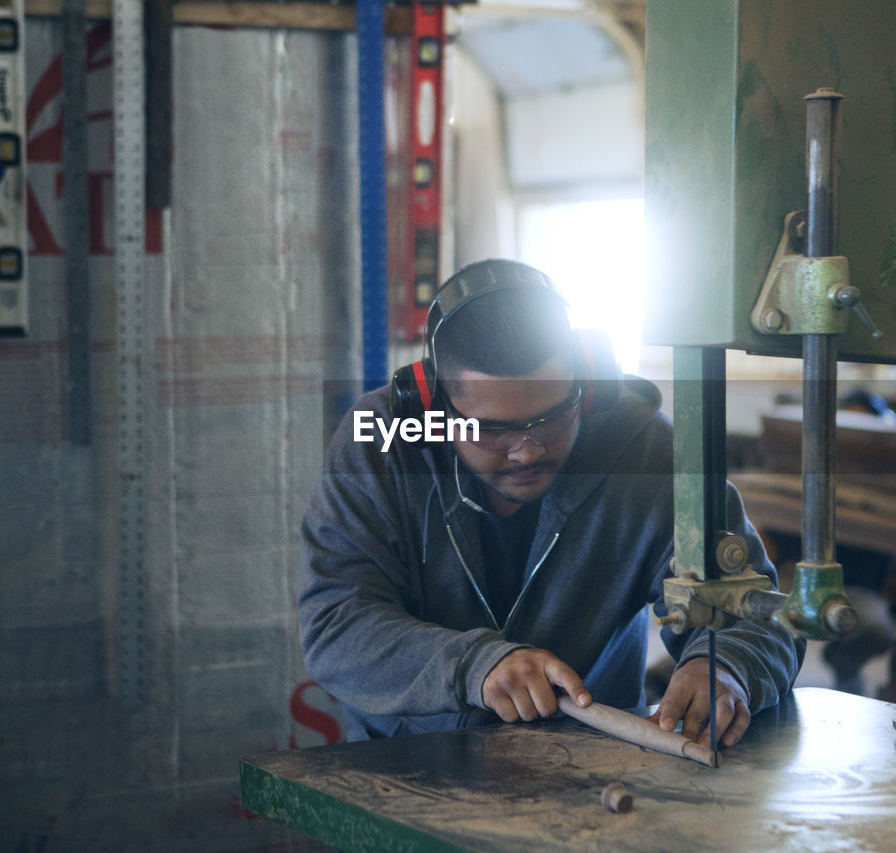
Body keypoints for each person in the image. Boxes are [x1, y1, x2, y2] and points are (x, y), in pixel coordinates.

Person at [297, 259, 802, 747]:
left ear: (589, 383)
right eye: (492, 431)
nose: (527, 452)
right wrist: (472, 665)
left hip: (596, 759)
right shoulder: (377, 449)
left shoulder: (648, 456)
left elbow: (759, 612)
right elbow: (336, 622)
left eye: (551, 418)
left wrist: (725, 665)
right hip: (408, 761)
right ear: (431, 405)